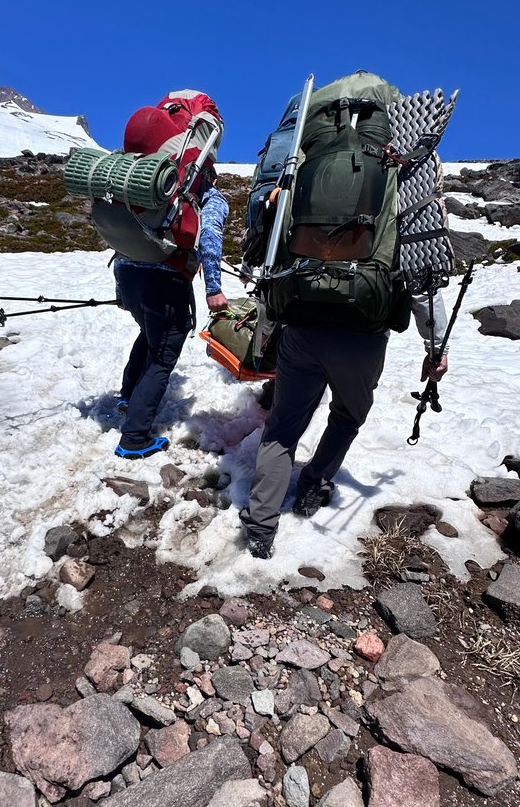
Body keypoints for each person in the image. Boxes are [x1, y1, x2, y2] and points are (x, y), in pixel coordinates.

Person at [239, 294, 448, 555]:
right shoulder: (397, 258)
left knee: (283, 428)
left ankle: (260, 526)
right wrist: (437, 349)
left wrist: (264, 332)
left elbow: (271, 282)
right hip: (364, 341)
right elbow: (424, 290)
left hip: (302, 333)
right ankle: (313, 487)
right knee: (347, 417)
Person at [114, 172, 229, 459]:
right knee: (162, 358)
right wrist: (213, 289)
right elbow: (210, 239)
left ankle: (129, 396)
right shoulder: (207, 195)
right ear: (210, 175)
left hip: (128, 273)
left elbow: (121, 238)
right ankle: (134, 438)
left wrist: (120, 288)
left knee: (149, 334)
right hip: (165, 280)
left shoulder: (151, 187)